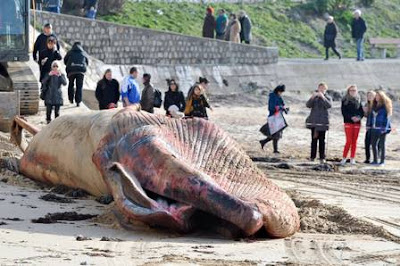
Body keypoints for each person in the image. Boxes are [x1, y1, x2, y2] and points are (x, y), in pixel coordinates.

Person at [305, 82, 332, 164]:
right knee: (313, 140)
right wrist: (312, 97)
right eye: (320, 88)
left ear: (325, 89)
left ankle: (322, 157)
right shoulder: (315, 98)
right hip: (314, 122)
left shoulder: (328, 97)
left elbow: (329, 105)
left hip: (323, 122)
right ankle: (312, 157)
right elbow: (308, 105)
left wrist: (323, 97)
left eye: (323, 88)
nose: (321, 90)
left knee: (322, 140)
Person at [259, 85, 288, 153]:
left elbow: (282, 104)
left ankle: (264, 142)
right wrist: (281, 108)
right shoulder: (273, 97)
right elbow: (271, 107)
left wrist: (284, 108)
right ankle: (274, 149)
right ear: (278, 91)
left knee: (275, 134)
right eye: (281, 92)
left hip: (278, 117)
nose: (281, 93)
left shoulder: (278, 96)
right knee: (275, 134)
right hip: (273, 117)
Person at [340, 85, 364, 165]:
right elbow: (344, 112)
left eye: (354, 90)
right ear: (348, 91)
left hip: (357, 123)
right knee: (348, 141)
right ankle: (344, 158)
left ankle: (352, 158)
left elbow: (361, 112)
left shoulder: (359, 100)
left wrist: (359, 117)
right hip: (348, 122)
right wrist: (351, 117)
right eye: (351, 90)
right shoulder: (344, 100)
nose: (353, 91)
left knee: (354, 141)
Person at [369, 90, 392, 166]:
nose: (376, 97)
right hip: (374, 128)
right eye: (376, 96)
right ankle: (375, 160)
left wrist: (384, 128)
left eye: (378, 96)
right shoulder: (374, 106)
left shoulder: (385, 106)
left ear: (382, 97)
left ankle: (382, 161)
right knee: (373, 144)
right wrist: (369, 125)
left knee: (382, 145)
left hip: (382, 129)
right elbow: (371, 116)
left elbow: (388, 118)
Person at [64, 42, 89, 107]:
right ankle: (78, 101)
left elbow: (65, 60)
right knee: (79, 86)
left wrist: (69, 65)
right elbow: (87, 62)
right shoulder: (83, 53)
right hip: (81, 71)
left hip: (71, 71)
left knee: (71, 84)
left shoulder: (70, 52)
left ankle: (71, 99)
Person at [363, 90, 376, 163]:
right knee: (367, 143)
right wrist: (365, 112)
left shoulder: (377, 105)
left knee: (375, 144)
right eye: (368, 96)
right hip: (368, 127)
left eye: (371, 95)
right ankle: (368, 158)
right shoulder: (366, 104)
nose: (369, 97)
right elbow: (366, 116)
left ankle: (376, 158)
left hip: (375, 127)